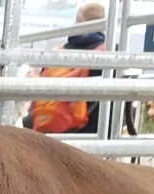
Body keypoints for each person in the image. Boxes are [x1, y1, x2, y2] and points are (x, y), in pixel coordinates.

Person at [22, 2, 106, 135]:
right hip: (87, 130)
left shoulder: (58, 52)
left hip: (48, 124)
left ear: (79, 22)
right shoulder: (107, 54)